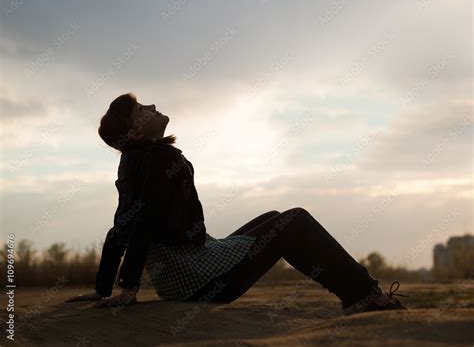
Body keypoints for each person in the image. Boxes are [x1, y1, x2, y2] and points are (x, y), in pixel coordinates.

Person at [65, 93, 407, 315]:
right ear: (136, 132)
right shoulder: (154, 160)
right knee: (296, 220)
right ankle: (365, 295)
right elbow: (139, 223)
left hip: (187, 273)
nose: (152, 107)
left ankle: (356, 294)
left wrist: (102, 287)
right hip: (199, 280)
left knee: (277, 217)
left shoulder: (136, 161)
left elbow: (120, 225)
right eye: (142, 109)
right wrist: (128, 287)